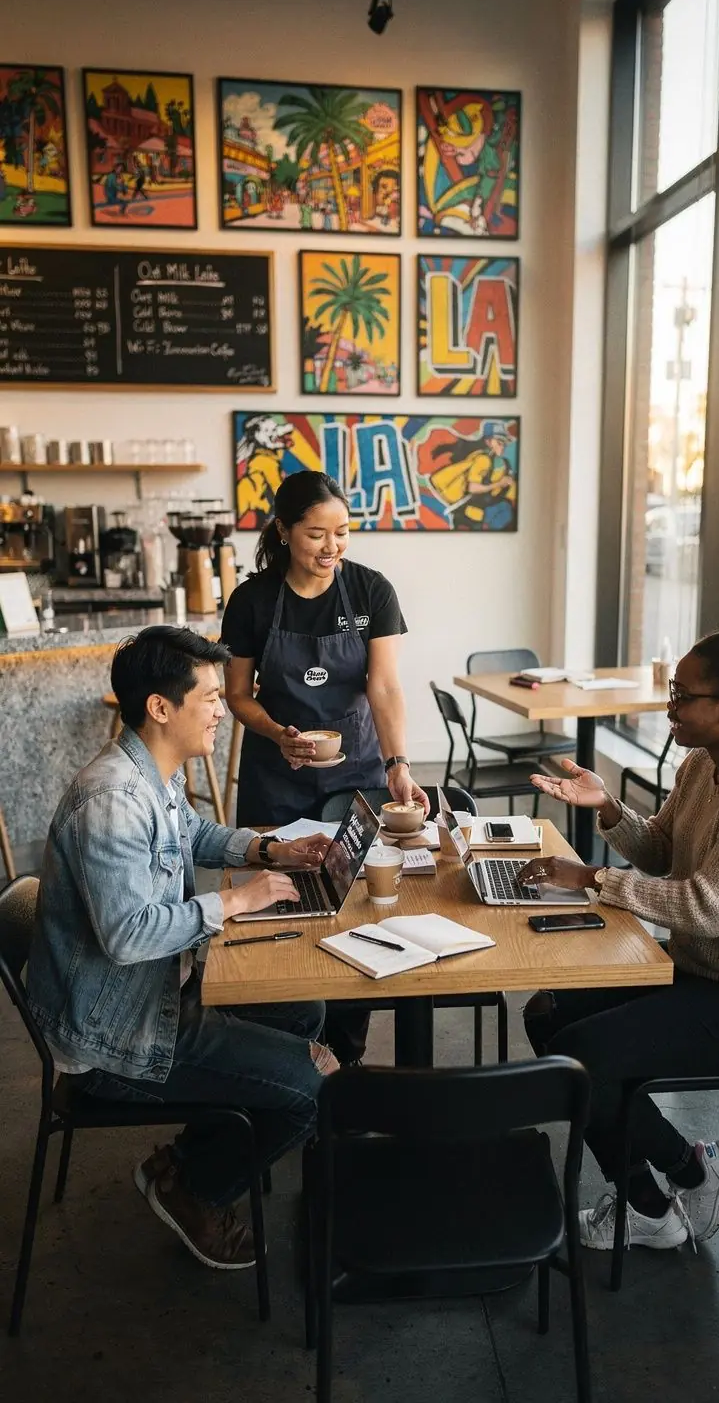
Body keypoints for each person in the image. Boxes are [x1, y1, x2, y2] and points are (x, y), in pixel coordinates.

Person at [26, 626, 338, 1273]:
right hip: (116, 1033)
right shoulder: (112, 800)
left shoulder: (149, 772)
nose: (224, 710)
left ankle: (190, 1157)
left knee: (303, 1011)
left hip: (153, 993)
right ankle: (193, 1188)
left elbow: (190, 833)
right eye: (211, 698)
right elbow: (128, 934)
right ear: (160, 707)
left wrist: (270, 850)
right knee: (314, 1087)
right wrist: (237, 901)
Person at [519, 589, 719, 1254]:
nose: (670, 707)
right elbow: (659, 851)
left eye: (684, 696)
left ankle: (668, 1191)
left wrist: (590, 878)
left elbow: (707, 907)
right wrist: (607, 807)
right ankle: (673, 1185)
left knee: (586, 1056)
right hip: (700, 973)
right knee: (547, 1014)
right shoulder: (703, 762)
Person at [222, 470, 429, 1062]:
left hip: (353, 770)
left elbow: (383, 687)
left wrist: (397, 763)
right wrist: (276, 733)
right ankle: (286, 1052)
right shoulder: (252, 600)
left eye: (342, 532)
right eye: (316, 534)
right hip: (275, 776)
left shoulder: (370, 591)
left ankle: (346, 1053)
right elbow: (238, 694)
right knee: (279, 905)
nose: (331, 546)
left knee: (354, 905)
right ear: (284, 531)